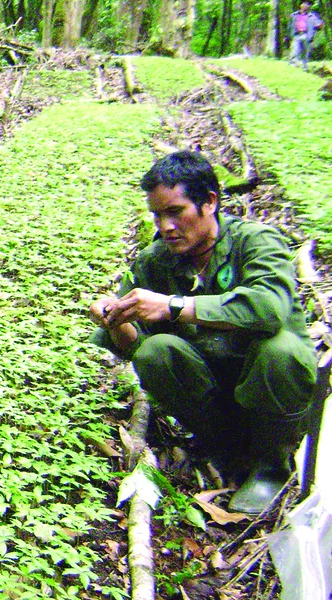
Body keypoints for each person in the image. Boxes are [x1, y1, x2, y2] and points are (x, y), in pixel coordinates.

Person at [88, 151, 317, 515]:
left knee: (280, 350)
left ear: (209, 202)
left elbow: (268, 308)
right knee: (157, 351)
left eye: (175, 212)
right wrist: (116, 320)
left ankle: (271, 466)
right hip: (214, 392)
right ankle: (225, 450)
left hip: (269, 390)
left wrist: (175, 306)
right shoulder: (156, 261)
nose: (165, 227)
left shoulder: (257, 243)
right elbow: (137, 351)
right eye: (157, 215)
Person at [289, 0, 325, 70]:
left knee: (305, 52)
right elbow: (290, 26)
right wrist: (289, 36)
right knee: (295, 50)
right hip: (297, 35)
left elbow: (319, 25)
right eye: (304, 4)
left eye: (308, 4)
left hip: (307, 35)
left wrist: (321, 25)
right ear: (300, 5)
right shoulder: (294, 15)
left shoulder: (312, 16)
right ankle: (292, 65)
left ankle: (304, 66)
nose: (306, 6)